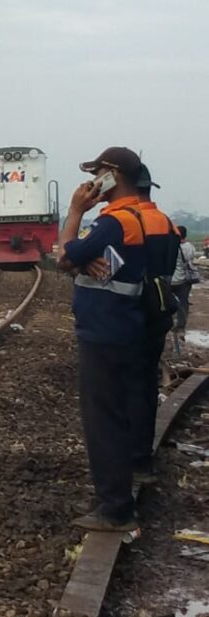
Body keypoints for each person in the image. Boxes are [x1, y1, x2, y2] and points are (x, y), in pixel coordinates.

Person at [57, 147, 146, 532]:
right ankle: (118, 495)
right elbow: (75, 258)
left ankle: (115, 509)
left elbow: (64, 254)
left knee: (102, 420)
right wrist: (78, 256)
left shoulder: (114, 221)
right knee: (117, 415)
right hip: (122, 329)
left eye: (97, 173)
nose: (92, 181)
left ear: (112, 173)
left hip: (104, 333)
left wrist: (76, 211)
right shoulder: (132, 218)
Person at [123, 165, 180, 484]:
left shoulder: (128, 222)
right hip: (160, 309)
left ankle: (127, 459)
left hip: (131, 313)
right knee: (146, 384)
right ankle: (142, 458)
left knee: (124, 386)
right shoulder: (167, 223)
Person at [171, 225, 200, 355]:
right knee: (183, 303)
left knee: (168, 302)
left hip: (172, 279)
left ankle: (169, 323)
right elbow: (191, 260)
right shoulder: (190, 247)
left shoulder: (172, 247)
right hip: (185, 280)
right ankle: (181, 326)